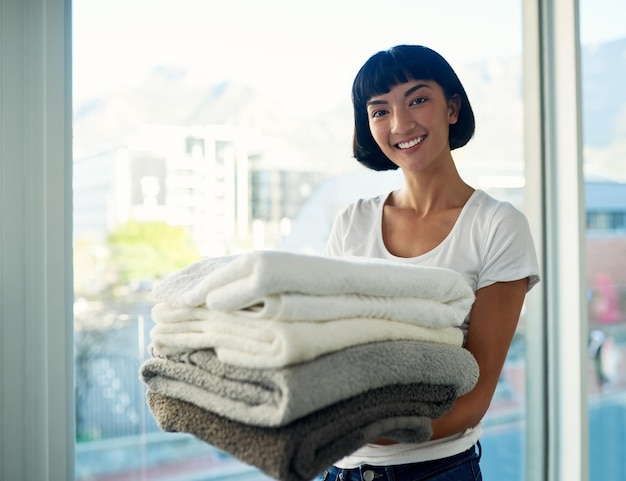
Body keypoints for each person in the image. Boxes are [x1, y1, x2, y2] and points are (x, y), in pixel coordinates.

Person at [319, 45, 540, 480]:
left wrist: (369, 430)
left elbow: (474, 396)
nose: (400, 124)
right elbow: (327, 351)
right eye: (380, 110)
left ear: (452, 108)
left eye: (417, 100)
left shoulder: (497, 226)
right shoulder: (353, 222)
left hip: (435, 471)